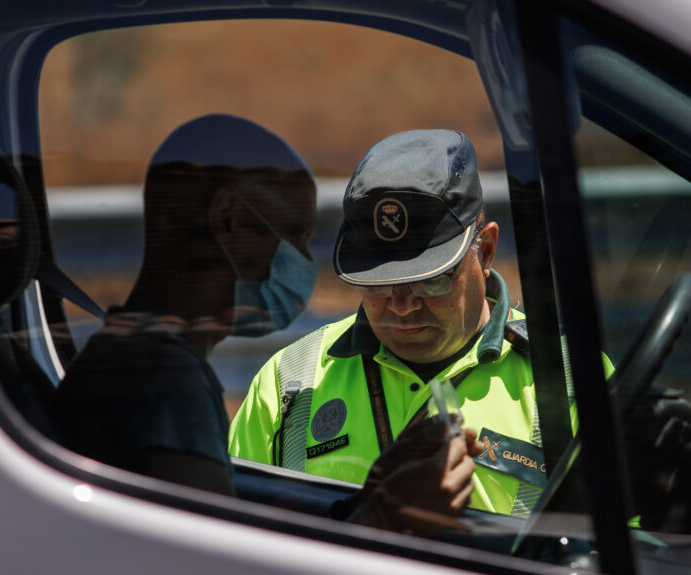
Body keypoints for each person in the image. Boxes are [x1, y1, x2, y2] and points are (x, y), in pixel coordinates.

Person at [229, 129, 614, 516]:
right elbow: (231, 546)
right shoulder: (287, 384)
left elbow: (632, 549)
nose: (401, 305)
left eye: (431, 278)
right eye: (377, 282)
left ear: (486, 251)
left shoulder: (573, 378)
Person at [50, 114, 319, 493]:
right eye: (296, 234)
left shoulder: (127, 356)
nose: (305, 259)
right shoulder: (167, 382)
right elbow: (205, 547)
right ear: (227, 219)